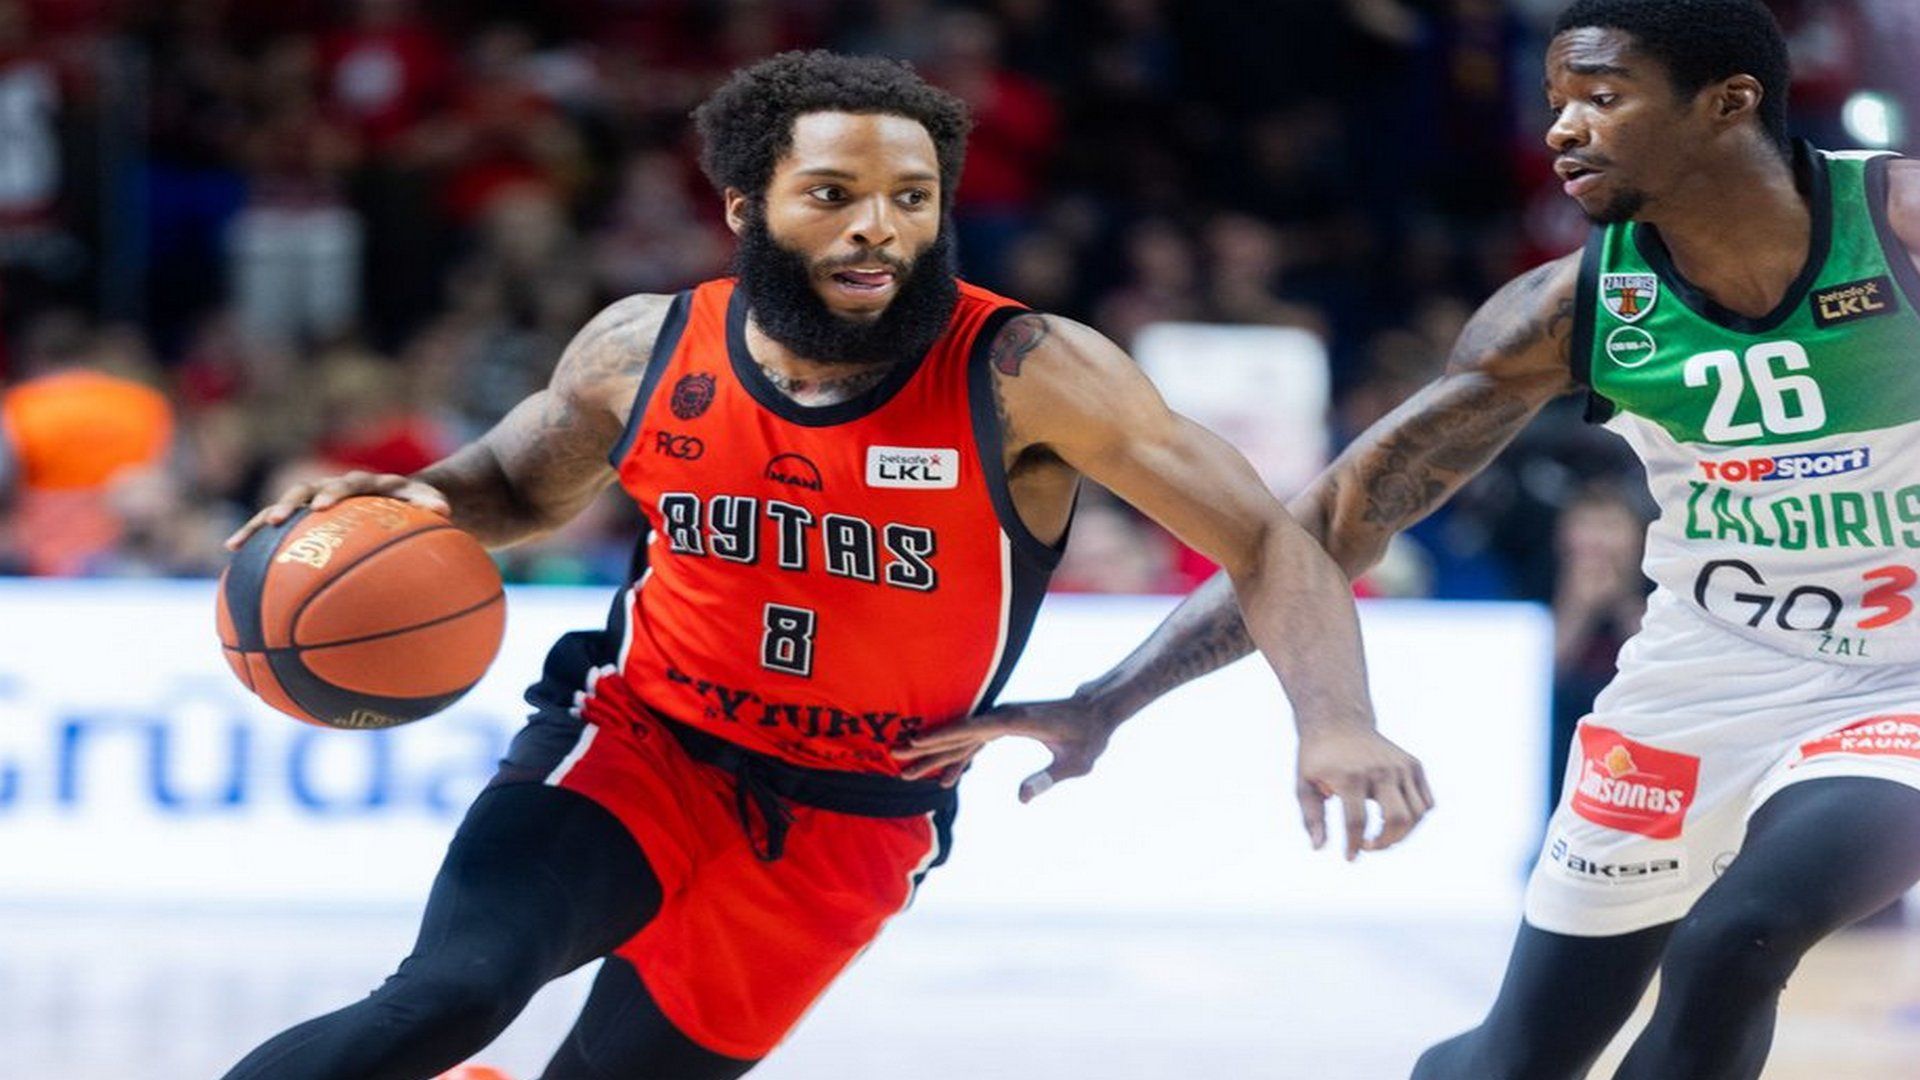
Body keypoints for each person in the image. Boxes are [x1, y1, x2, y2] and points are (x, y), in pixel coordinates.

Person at [217, 51, 1428, 1080]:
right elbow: (514, 486)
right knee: (446, 999)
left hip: (857, 812)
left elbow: (1270, 540)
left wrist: (1336, 719)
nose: (879, 227)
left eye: (913, 197)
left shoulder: (1029, 371)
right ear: (746, 208)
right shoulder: (644, 347)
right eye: (835, 194)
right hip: (643, 741)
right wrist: (417, 502)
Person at [897, 2, 1920, 1076]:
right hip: (1707, 675)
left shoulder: (1894, 222)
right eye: (1557, 102)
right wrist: (1108, 698)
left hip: (1899, 678)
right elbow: (1329, 524)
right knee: (1517, 1058)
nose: (1563, 129)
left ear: (1729, 103)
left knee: (1735, 938)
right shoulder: (1567, 309)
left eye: (1603, 98)